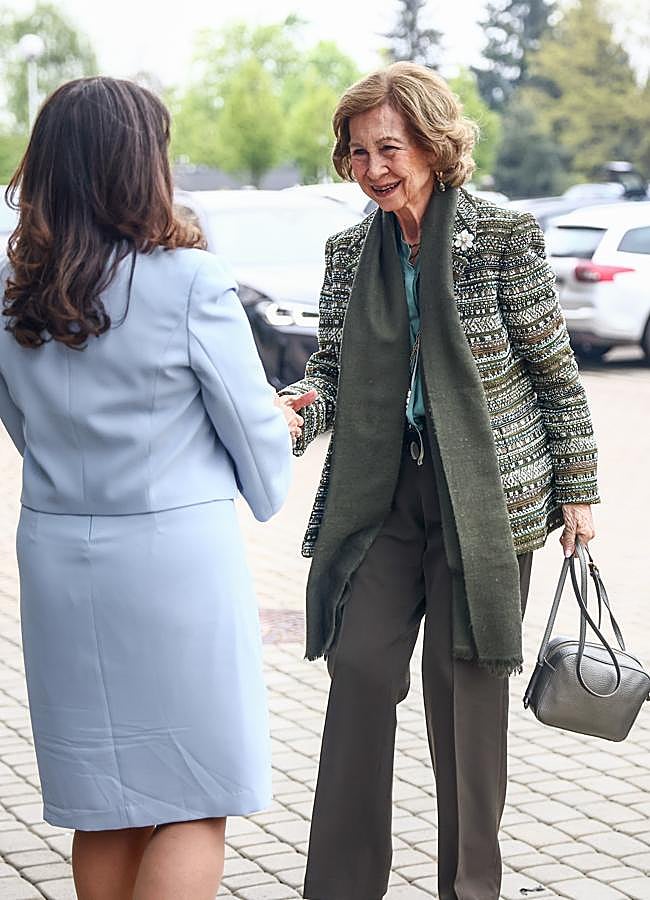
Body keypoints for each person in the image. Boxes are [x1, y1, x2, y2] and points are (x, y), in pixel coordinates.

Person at [278, 62, 599, 900]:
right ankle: (341, 887)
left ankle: (471, 889)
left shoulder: (501, 236)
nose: (373, 168)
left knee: (463, 705)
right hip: (383, 497)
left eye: (389, 147)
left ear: (431, 143)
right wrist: (293, 412)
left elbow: (555, 373)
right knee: (359, 673)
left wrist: (580, 488)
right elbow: (333, 372)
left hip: (484, 505)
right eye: (357, 152)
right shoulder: (349, 252)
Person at [0, 77, 293, 900]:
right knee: (196, 798)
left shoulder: (10, 288)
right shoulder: (191, 280)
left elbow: (23, 428)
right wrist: (286, 429)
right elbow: (249, 426)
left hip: (59, 555)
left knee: (106, 806)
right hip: (175, 565)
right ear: (142, 164)